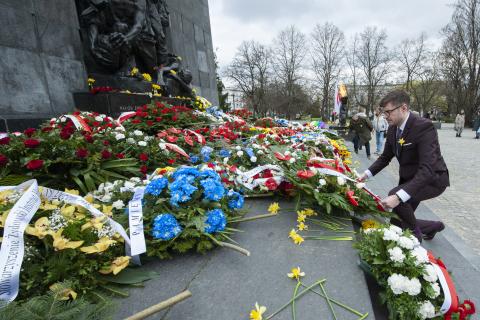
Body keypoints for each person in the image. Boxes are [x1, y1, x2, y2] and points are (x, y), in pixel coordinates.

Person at [358, 90, 449, 241]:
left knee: (396, 196)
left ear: (404, 108)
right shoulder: (393, 128)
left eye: (388, 112)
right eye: (383, 113)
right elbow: (385, 157)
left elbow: (428, 168)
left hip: (432, 180)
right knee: (396, 223)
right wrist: (365, 174)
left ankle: (415, 238)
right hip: (411, 180)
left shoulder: (424, 127)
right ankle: (433, 226)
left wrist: (399, 196)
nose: (385, 117)